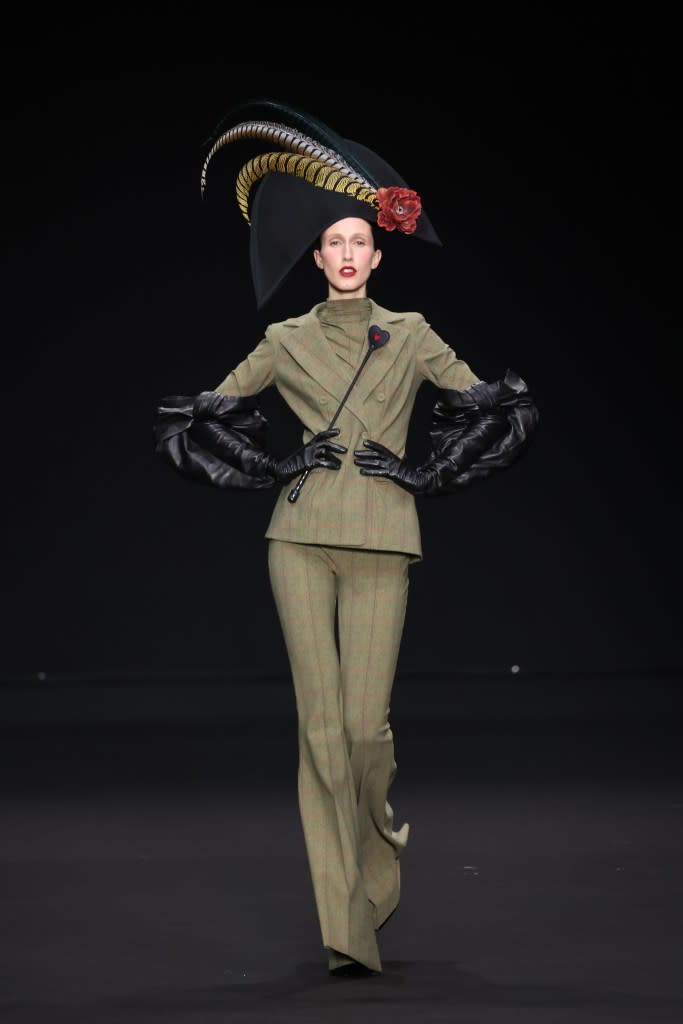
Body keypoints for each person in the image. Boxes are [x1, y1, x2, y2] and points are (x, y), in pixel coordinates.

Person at [154, 100, 539, 978]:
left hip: (381, 537)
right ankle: (346, 925)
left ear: (375, 249)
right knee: (319, 730)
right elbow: (188, 417)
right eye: (332, 243)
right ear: (315, 256)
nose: (347, 254)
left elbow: (502, 405)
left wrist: (427, 474)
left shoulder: (409, 336)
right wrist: (271, 465)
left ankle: (376, 855)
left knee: (364, 733)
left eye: (359, 240)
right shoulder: (283, 341)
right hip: (298, 537)